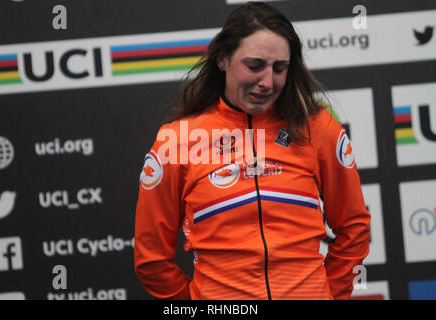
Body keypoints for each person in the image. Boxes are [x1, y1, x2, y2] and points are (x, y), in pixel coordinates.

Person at [134, 2, 370, 300]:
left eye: (279, 68)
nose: (267, 82)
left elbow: (354, 228)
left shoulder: (318, 129)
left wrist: (328, 294)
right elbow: (151, 259)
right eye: (254, 66)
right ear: (222, 59)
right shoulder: (176, 141)